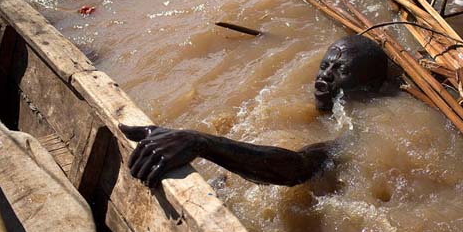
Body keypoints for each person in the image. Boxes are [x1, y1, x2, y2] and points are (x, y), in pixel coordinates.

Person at [119, 34, 389, 187]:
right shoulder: (293, 109)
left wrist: (199, 142)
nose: (325, 77)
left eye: (341, 70)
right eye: (325, 66)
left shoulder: (358, 129)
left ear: (371, 85)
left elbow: (300, 167)